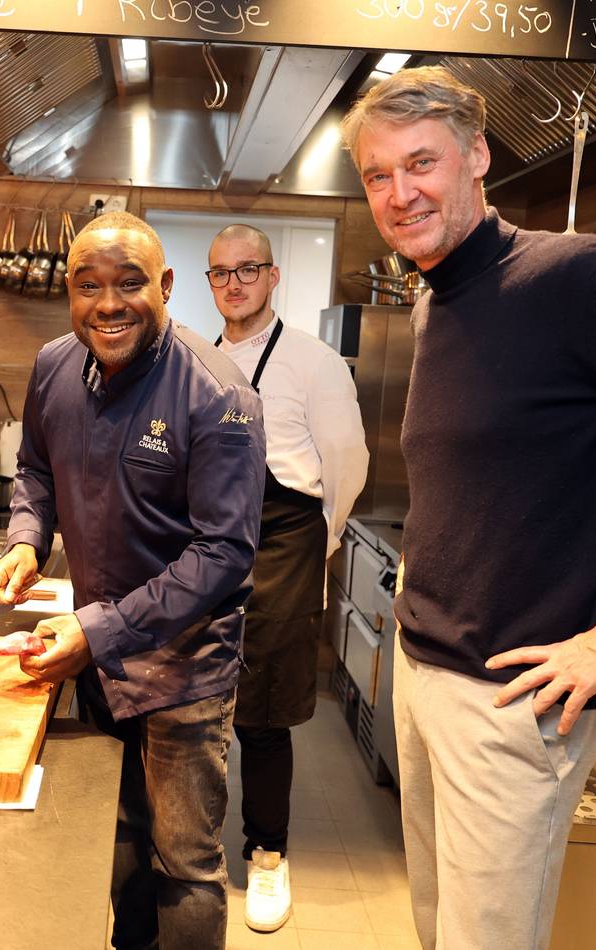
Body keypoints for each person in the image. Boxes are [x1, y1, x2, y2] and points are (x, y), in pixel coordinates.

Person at [342, 65, 596, 949]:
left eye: (422, 163)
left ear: (478, 155)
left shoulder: (572, 279)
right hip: (423, 677)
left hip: (510, 702)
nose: (400, 192)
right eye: (378, 175)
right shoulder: (434, 299)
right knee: (434, 930)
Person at [0, 210, 266, 950]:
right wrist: (26, 539)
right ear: (71, 294)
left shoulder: (218, 394)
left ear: (166, 286)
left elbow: (223, 554)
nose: (108, 305)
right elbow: (35, 471)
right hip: (98, 659)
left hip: (185, 668)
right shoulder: (52, 367)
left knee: (183, 863)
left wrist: (98, 629)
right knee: (115, 834)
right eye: (88, 287)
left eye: (130, 283)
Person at [207, 225, 369, 932]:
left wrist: (320, 538)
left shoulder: (315, 362)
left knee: (264, 713)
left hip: (285, 542)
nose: (234, 283)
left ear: (273, 277)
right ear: (209, 283)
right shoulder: (195, 360)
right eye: (221, 273)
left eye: (248, 270)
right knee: (199, 706)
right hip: (208, 547)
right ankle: (194, 848)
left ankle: (267, 853)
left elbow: (348, 462)